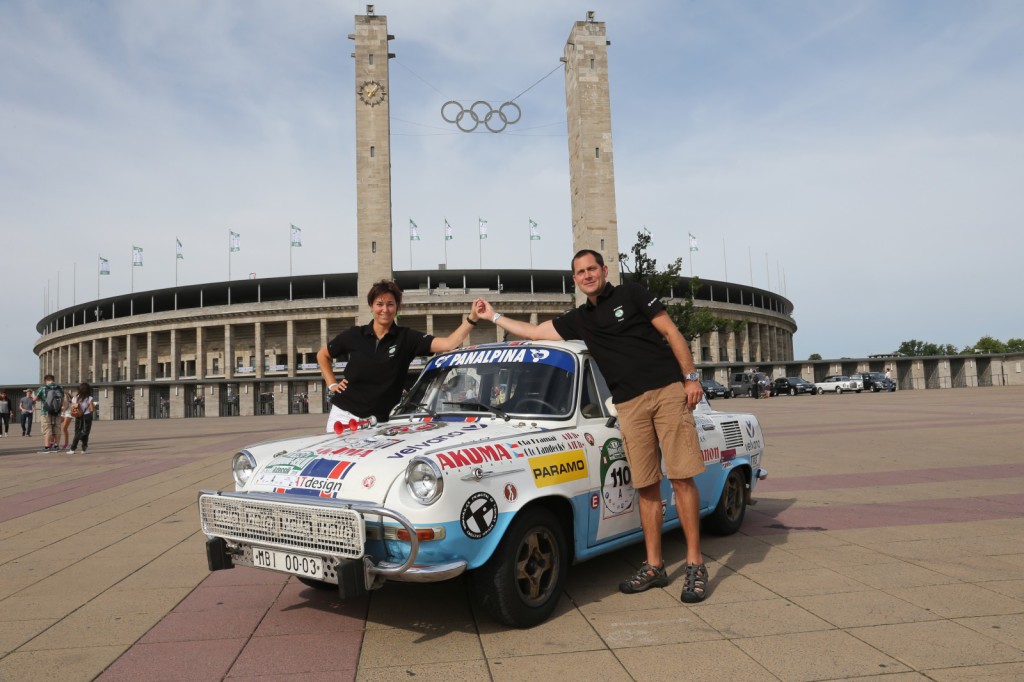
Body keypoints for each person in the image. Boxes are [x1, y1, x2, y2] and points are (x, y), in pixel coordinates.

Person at [474, 249, 709, 602]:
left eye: (591, 269)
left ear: (604, 269)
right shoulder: (580, 318)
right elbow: (536, 332)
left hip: (665, 391)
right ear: (575, 280)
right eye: (580, 272)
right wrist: (494, 315)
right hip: (628, 405)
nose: (587, 275)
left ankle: (694, 563)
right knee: (645, 485)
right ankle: (655, 565)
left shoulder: (632, 293)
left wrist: (690, 378)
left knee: (681, 477)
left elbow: (671, 331)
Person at [316, 279, 480, 431]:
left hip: (379, 422)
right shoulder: (354, 335)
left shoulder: (407, 338)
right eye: (379, 304)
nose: (384, 309)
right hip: (344, 417)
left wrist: (472, 318)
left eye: (390, 304)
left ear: (397, 307)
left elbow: (448, 344)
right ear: (371, 307)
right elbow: (322, 355)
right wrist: (332, 385)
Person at [33, 374, 64, 452]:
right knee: (57, 428)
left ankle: (47, 447)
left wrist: (36, 397)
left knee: (47, 429)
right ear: (53, 379)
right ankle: (56, 446)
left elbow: (35, 398)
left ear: (46, 380)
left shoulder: (43, 388)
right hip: (57, 411)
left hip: (46, 412)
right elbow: (62, 398)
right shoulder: (60, 388)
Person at [66, 382, 94, 454]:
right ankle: (84, 449)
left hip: (78, 416)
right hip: (87, 416)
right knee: (85, 432)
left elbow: (73, 407)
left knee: (77, 431)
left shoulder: (75, 398)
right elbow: (92, 409)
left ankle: (72, 449)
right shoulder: (89, 398)